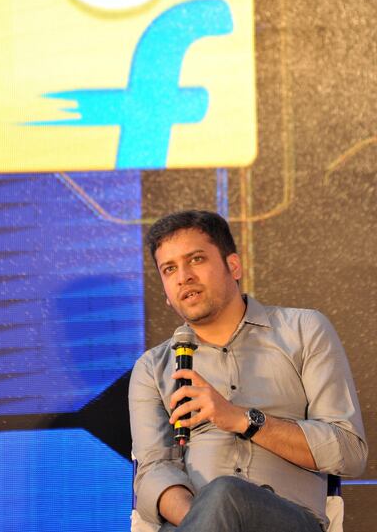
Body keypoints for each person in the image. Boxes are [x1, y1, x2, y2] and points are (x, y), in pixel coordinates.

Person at [129, 210, 367, 531]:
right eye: (169, 269)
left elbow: (349, 450)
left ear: (234, 266)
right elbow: (154, 472)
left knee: (226, 492)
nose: (183, 276)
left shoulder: (303, 330)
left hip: (289, 520)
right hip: (193, 521)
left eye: (196, 259)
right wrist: (208, 519)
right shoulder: (151, 368)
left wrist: (243, 419)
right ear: (167, 294)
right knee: (218, 498)